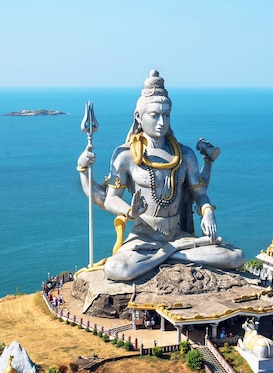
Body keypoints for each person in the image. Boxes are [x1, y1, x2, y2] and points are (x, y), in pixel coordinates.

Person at [77, 70, 244, 281]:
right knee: (117, 269)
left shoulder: (184, 155)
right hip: (144, 238)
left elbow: (199, 193)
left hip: (178, 236)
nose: (161, 122)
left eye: (166, 115)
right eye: (154, 115)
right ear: (139, 116)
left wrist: (208, 211)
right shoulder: (125, 156)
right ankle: (172, 255)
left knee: (236, 257)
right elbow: (110, 199)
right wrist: (130, 211)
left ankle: (169, 253)